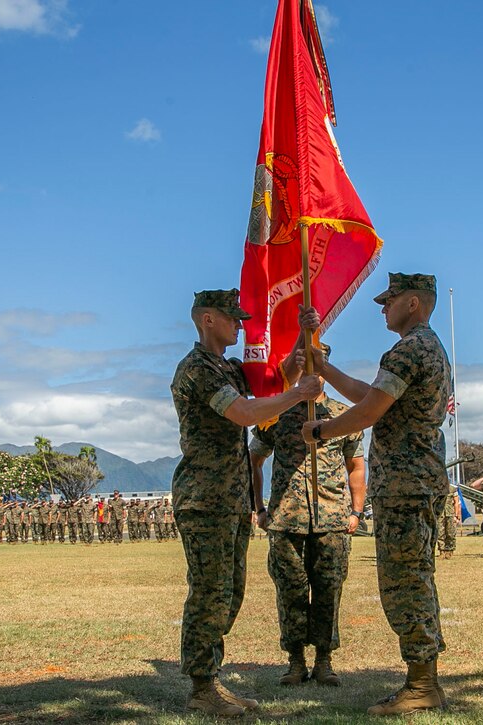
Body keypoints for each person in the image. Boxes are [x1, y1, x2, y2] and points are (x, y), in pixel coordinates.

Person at [299, 272, 451, 716]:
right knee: (415, 578)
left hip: (405, 485)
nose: (383, 307)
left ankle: (422, 685)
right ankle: (425, 681)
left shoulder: (409, 349)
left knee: (405, 583)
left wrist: (322, 430)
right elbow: (373, 396)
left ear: (414, 304)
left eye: (390, 300)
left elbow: (369, 411)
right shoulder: (428, 347)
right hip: (416, 481)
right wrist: (325, 368)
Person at [171, 288, 322, 717]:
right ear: (207, 320)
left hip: (229, 498)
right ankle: (201, 688)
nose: (240, 324)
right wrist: (296, 396)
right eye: (232, 317)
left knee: (229, 592)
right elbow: (244, 412)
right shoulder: (198, 369)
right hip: (205, 499)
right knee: (210, 593)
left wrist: (303, 338)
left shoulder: (228, 367)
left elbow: (277, 381)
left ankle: (210, 680)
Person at [250, 343, 366, 687]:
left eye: (317, 363)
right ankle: (296, 661)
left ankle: (324, 660)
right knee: (291, 591)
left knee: (329, 590)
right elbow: (253, 460)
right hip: (286, 520)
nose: (310, 370)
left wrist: (356, 512)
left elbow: (356, 466)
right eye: (303, 363)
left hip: (332, 519)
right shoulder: (275, 414)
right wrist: (259, 507)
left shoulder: (344, 415)